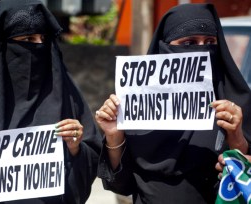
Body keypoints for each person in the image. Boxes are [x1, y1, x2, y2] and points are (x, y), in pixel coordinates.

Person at [0, 0, 102, 203]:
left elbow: (92, 163)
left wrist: (75, 148)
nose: (38, 46)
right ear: (5, 44)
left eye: (43, 38)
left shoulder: (66, 97)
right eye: (28, 38)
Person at [95, 3, 251, 203]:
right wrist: (114, 137)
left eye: (210, 42)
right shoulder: (136, 104)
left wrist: (236, 135)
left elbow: (241, 177)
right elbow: (121, 185)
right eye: (189, 43)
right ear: (164, 47)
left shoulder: (233, 105)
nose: (202, 50)